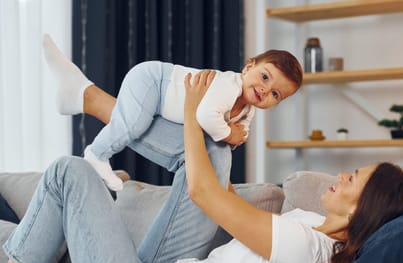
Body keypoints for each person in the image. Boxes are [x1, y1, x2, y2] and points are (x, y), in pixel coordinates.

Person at [0, 69, 403, 263]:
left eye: (353, 178)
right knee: (213, 149)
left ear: (361, 209)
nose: (340, 175)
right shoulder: (306, 220)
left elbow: (204, 195)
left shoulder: (308, 252)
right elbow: (218, 193)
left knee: (68, 171)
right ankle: (102, 106)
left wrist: (192, 112)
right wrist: (221, 133)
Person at [43, 34, 303, 191]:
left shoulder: (246, 109)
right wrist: (228, 135)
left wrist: (235, 137)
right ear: (248, 67)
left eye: (275, 94)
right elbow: (205, 117)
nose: (265, 90)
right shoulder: (228, 85)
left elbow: (236, 136)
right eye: (265, 77)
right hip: (154, 81)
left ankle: (80, 95)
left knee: (137, 123)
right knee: (133, 124)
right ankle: (96, 153)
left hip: (162, 99)